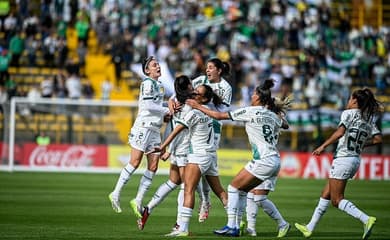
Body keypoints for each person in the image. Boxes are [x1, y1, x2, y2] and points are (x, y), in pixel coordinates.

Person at [186, 79, 290, 237]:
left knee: (233, 187)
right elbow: (285, 125)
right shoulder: (273, 116)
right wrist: (275, 109)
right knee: (243, 191)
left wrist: (197, 106)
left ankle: (232, 225)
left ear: (258, 98)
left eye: (254, 93)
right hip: (274, 160)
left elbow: (219, 116)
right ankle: (236, 226)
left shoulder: (250, 111)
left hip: (263, 160)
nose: (252, 95)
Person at [295, 88, 383, 240]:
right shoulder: (369, 118)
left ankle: (366, 219)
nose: (348, 101)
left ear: (355, 100)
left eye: (350, 99)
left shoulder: (348, 113)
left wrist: (323, 146)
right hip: (355, 159)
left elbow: (340, 132)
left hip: (343, 158)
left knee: (337, 200)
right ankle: (309, 228)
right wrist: (361, 145)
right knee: (325, 194)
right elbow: (378, 140)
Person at [150, 84, 228, 237]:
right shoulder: (210, 112)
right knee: (219, 191)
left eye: (196, 93)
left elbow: (176, 131)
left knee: (188, 189)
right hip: (211, 155)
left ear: (204, 98)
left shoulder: (194, 113)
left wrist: (162, 147)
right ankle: (235, 222)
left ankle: (183, 228)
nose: (192, 94)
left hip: (198, 155)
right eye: (193, 91)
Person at [108, 56, 171, 217]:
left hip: (155, 129)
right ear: (147, 70)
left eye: (158, 64)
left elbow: (155, 107)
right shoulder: (147, 83)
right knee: (135, 162)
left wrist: (164, 116)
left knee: (153, 166)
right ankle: (115, 193)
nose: (158, 66)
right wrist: (166, 110)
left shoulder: (160, 85)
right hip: (143, 127)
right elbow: (148, 105)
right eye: (154, 65)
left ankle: (138, 200)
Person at [136, 75, 194, 232]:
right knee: (186, 186)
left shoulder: (176, 100)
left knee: (173, 182)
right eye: (191, 84)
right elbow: (178, 128)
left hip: (176, 147)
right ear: (188, 86)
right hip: (184, 148)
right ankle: (179, 223)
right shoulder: (190, 104)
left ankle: (148, 208)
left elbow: (171, 113)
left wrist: (169, 149)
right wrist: (167, 148)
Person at [191, 57, 233, 222]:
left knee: (203, 166)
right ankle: (207, 201)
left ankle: (206, 201)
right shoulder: (201, 80)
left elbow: (223, 112)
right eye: (206, 68)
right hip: (194, 125)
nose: (207, 70)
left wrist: (205, 104)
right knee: (195, 167)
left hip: (212, 129)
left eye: (210, 68)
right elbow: (187, 89)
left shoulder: (225, 87)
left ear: (219, 70)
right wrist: (173, 99)